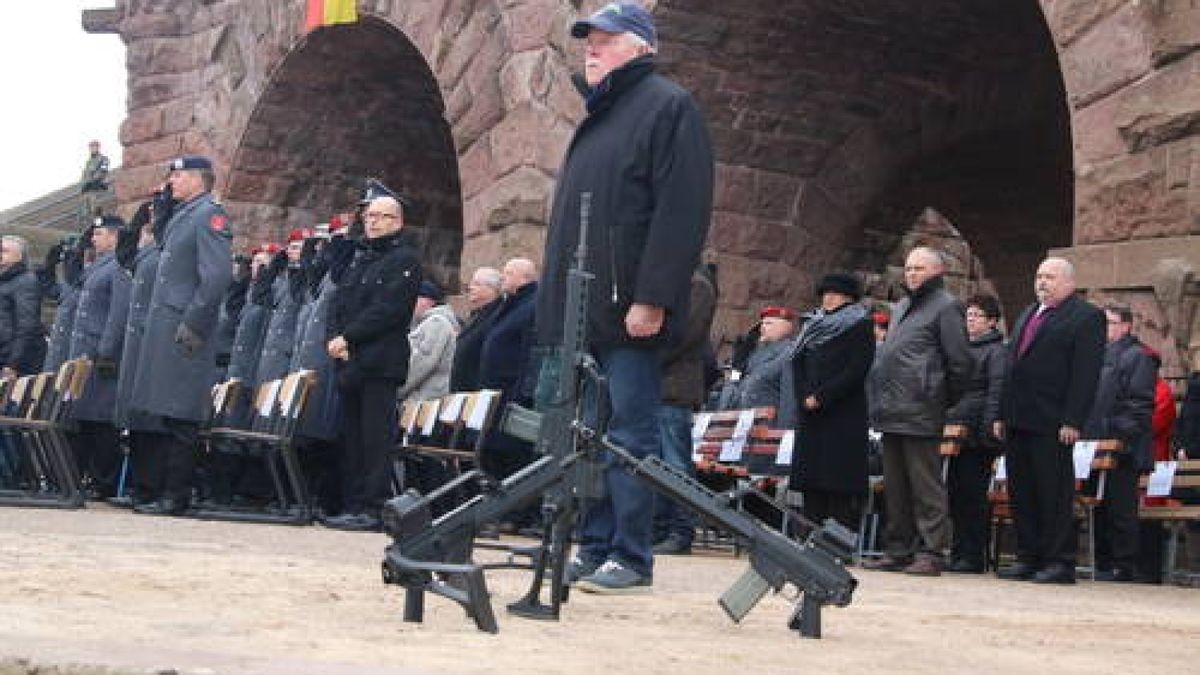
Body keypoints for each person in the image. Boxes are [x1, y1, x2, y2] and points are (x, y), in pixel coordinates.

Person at [538, 2, 714, 593]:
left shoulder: (668, 107)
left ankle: (632, 554)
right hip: (585, 311)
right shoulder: (599, 116)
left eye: (605, 40)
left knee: (631, 437)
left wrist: (654, 297)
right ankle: (594, 543)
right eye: (588, 39)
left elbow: (680, 213)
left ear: (639, 47)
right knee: (590, 435)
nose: (591, 48)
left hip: (628, 309)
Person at [130, 156, 234, 516]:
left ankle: (175, 495)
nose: (171, 181)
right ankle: (161, 491)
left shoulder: (209, 214)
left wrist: (194, 323)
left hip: (185, 327)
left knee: (181, 413)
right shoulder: (184, 215)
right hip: (167, 325)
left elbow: (217, 276)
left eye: (177, 175)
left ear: (196, 179)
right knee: (164, 409)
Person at [995, 257, 1104, 584]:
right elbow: (1012, 366)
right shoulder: (1030, 313)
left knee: (1053, 492)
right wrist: (1002, 412)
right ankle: (1028, 555)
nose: (1042, 282)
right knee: (1023, 490)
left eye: (1050, 277)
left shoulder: (1086, 317)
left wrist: (1073, 419)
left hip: (1053, 420)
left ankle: (1059, 560)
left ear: (1069, 283)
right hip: (1019, 417)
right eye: (1039, 276)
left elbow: (1085, 374)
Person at [866, 246, 972, 576]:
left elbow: (960, 362)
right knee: (895, 484)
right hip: (893, 407)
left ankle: (932, 550)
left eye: (919, 269)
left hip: (922, 408)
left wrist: (938, 397)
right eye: (909, 268)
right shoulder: (901, 307)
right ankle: (898, 548)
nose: (911, 273)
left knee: (926, 484)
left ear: (937, 272)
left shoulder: (946, 307)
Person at [324, 194, 421, 532]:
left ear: (397, 222)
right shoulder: (361, 258)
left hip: (380, 362)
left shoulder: (405, 259)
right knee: (351, 437)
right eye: (369, 216)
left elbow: (388, 309)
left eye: (382, 216)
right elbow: (340, 301)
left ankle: (372, 506)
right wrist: (337, 339)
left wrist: (348, 337)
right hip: (351, 360)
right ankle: (352, 503)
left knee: (374, 439)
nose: (373, 222)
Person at [789, 272, 874, 532]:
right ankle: (808, 533)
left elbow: (856, 368)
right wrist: (803, 395)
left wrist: (822, 396)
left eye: (834, 294)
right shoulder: (812, 325)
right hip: (811, 413)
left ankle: (837, 539)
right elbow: (797, 361)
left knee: (837, 479)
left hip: (842, 413)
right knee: (811, 479)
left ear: (848, 298)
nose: (828, 299)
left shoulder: (859, 324)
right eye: (826, 294)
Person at [1083, 303, 1155, 582]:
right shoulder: (1098, 355)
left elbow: (1138, 404)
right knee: (1099, 506)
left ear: (1125, 326)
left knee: (1120, 508)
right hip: (1096, 445)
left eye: (1109, 323)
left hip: (1123, 447)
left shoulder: (1136, 357)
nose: (1104, 329)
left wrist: (1115, 432)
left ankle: (1122, 564)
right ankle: (1103, 561)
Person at [653, 263, 717, 555]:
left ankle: (681, 530)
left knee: (675, 465)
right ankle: (659, 528)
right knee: (655, 464)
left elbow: (685, 334)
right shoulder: (677, 278)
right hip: (658, 385)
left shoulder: (698, 284)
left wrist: (646, 359)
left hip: (673, 386)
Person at [67, 216, 133, 499]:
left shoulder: (118, 266)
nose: (93, 239)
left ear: (114, 237)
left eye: (99, 234)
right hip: (84, 352)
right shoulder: (98, 266)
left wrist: (106, 351)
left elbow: (118, 314)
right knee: (83, 416)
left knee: (101, 419)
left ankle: (103, 480)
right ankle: (82, 476)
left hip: (99, 354)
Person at [944, 294, 1007, 573]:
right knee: (956, 494)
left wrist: (990, 429)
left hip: (978, 434)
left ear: (992, 321)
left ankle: (973, 555)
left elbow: (996, 390)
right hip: (956, 429)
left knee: (972, 495)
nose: (970, 320)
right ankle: (958, 551)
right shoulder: (960, 347)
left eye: (977, 315)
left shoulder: (997, 351)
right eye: (968, 315)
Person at [115, 204, 167, 507]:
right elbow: (125, 258)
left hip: (154, 338)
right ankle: (142, 487)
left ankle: (151, 488)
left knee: (151, 421)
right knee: (136, 418)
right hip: (138, 340)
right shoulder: (150, 250)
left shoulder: (169, 248)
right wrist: (133, 228)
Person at [478, 258, 539, 488]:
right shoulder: (511, 304)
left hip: (512, 393)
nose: (502, 277)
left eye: (508, 272)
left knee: (513, 455)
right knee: (494, 453)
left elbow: (528, 351)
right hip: (495, 393)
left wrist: (521, 392)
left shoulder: (530, 305)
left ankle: (515, 517)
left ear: (524, 278)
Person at [724, 306, 800, 415]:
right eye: (762, 323)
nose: (762, 327)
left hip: (769, 424)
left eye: (769, 323)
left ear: (785, 327)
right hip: (744, 421)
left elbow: (789, 399)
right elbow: (734, 390)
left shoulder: (789, 354)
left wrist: (785, 429)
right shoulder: (753, 355)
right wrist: (736, 370)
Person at [396, 280, 459, 404]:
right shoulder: (425, 323)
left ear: (430, 301)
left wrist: (394, 389)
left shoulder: (437, 323)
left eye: (416, 297)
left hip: (426, 402)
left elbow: (421, 364)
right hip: (423, 401)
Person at [450, 266, 504, 392]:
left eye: (477, 284)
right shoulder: (478, 314)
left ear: (492, 289)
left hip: (476, 392)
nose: (470, 288)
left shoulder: (495, 317)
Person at [0, 235, 46, 378]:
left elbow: (27, 326)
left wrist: (13, 364)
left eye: (4, 251)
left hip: (14, 363)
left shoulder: (26, 281)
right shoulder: (5, 279)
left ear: (19, 256)